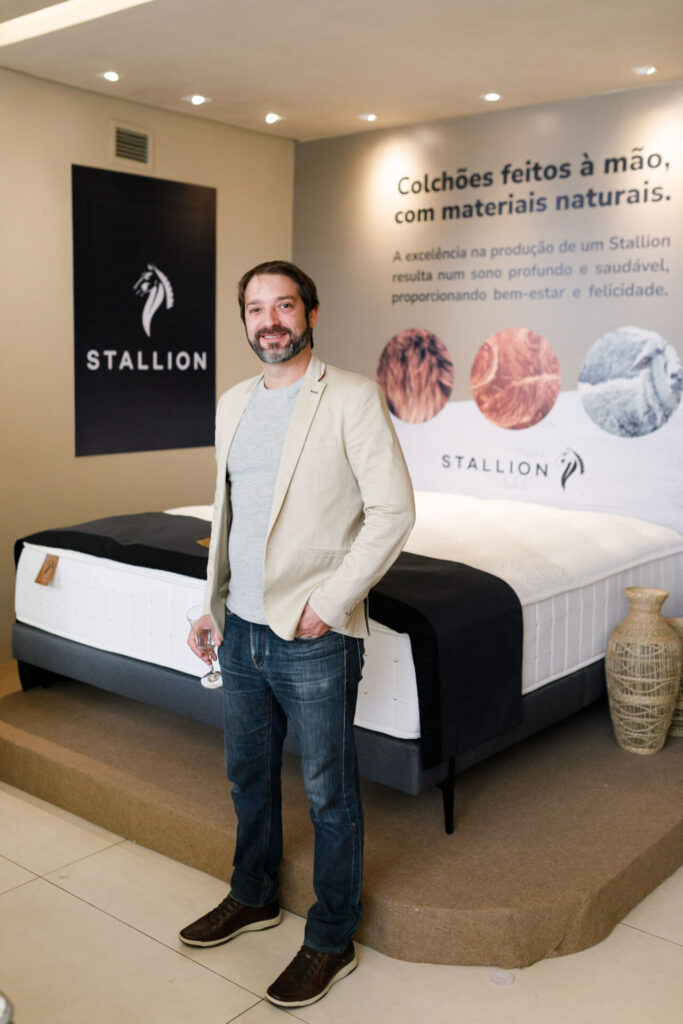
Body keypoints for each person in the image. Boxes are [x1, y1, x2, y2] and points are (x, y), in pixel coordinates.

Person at [180, 260, 415, 1008]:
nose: (270, 321)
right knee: (246, 775)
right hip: (241, 630)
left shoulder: (350, 396)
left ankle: (331, 937)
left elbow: (393, 512)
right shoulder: (233, 403)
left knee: (328, 794)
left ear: (310, 314)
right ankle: (252, 894)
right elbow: (229, 515)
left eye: (284, 306)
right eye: (256, 309)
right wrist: (212, 605)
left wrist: (331, 602)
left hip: (312, 635)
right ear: (244, 321)